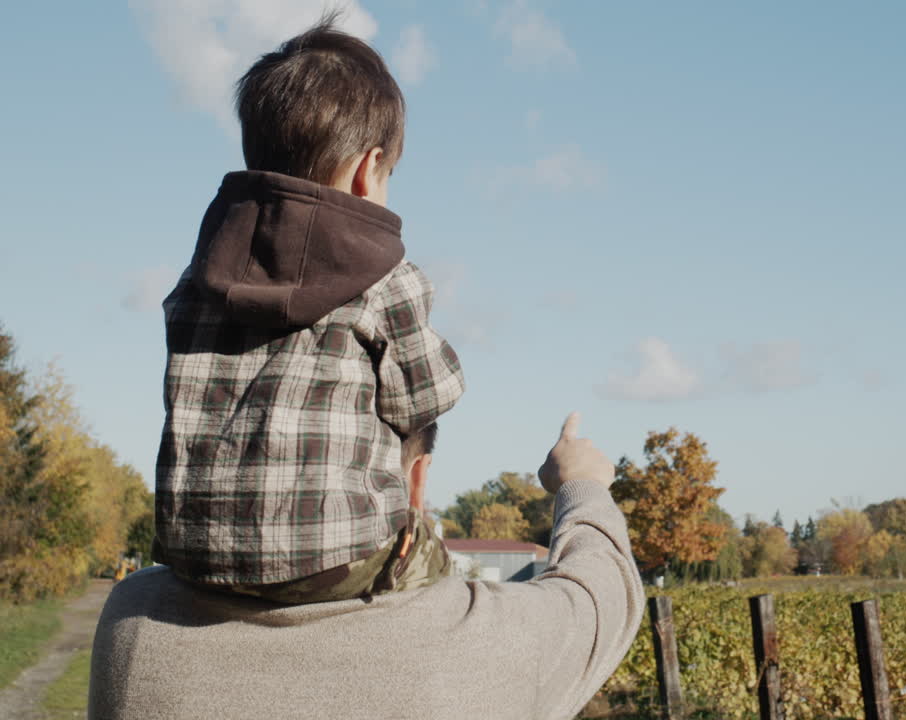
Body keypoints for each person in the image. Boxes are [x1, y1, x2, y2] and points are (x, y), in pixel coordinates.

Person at [153, 15, 464, 604]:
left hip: (194, 554)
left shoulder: (201, 276)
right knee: (429, 555)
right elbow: (424, 397)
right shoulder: (385, 278)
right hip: (330, 557)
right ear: (369, 170)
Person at [89, 413, 644, 720]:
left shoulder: (137, 620)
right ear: (418, 478)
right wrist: (581, 483)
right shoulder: (487, 643)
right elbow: (604, 589)